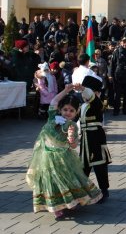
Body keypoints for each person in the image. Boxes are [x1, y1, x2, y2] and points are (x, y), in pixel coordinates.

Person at [25, 84, 103, 219]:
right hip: (46, 155)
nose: (68, 112)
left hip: (63, 157)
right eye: (65, 109)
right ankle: (55, 207)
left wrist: (72, 141)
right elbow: (54, 101)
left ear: (76, 113)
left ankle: (70, 200)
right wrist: (65, 91)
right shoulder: (52, 117)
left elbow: (73, 145)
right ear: (60, 109)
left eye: (71, 111)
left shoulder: (72, 126)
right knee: (51, 180)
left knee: (67, 179)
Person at [80, 76, 112, 201]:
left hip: (96, 138)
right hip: (85, 140)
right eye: (82, 93)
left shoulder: (98, 103)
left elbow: (93, 99)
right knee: (83, 166)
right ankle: (81, 191)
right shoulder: (83, 105)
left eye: (86, 92)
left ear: (97, 93)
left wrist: (84, 89)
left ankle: (104, 190)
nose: (84, 95)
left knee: (99, 166)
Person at [109, 37, 126, 115]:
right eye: (123, 42)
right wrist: (111, 75)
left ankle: (125, 110)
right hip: (118, 76)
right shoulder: (116, 52)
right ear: (121, 43)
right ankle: (116, 110)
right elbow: (112, 65)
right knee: (117, 94)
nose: (125, 44)